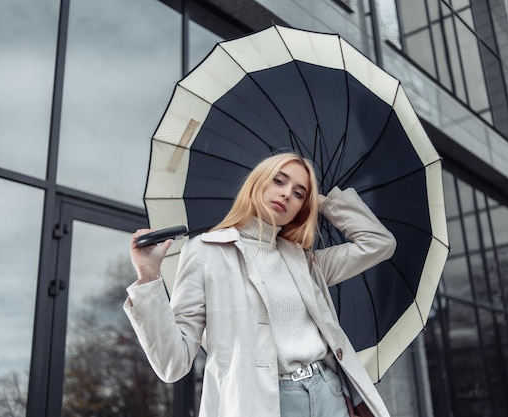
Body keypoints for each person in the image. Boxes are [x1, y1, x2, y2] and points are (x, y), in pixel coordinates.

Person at [124, 152, 396, 417]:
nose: (287, 193)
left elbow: (378, 243)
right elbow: (174, 362)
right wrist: (148, 277)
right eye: (279, 181)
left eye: (299, 193)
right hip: (262, 402)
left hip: (329, 393)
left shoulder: (306, 261)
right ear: (257, 183)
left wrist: (322, 202)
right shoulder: (205, 251)